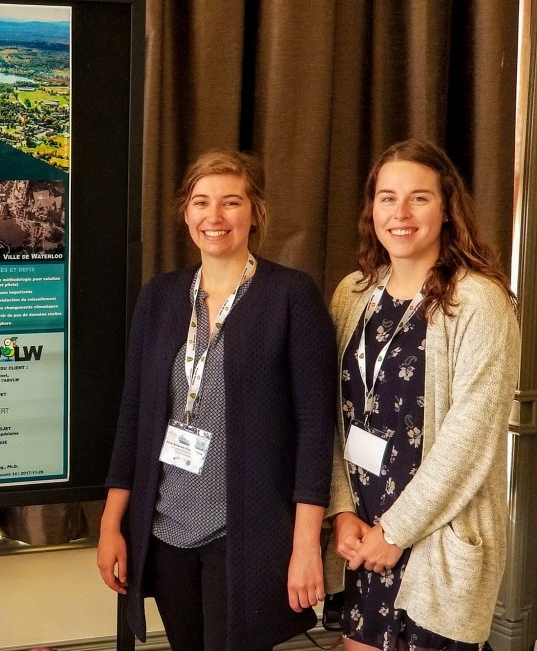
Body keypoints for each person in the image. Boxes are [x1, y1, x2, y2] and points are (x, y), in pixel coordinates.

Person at [97, 149, 338, 650]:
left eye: (231, 202)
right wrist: (111, 523)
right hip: (165, 531)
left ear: (256, 213)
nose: (215, 216)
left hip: (246, 536)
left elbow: (316, 427)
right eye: (202, 202)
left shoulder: (291, 296)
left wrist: (306, 546)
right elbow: (134, 415)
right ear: (185, 212)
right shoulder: (160, 297)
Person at [325, 139, 521, 650]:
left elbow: (470, 439)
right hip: (363, 538)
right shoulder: (351, 293)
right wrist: (343, 511)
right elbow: (332, 417)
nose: (401, 213)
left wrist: (394, 532)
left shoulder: (479, 302)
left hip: (433, 542)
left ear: (448, 209)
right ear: (372, 209)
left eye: (419, 198)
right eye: (387, 198)